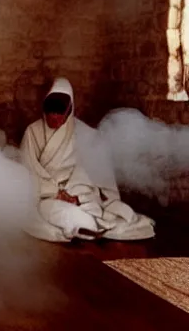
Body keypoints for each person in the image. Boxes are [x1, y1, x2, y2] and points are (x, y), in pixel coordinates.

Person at [20, 77, 155, 242]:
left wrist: (76, 196)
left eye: (59, 111)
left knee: (106, 210)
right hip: (48, 195)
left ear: (70, 109)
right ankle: (82, 225)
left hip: (79, 194)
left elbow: (94, 173)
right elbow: (28, 170)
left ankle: (87, 222)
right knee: (52, 211)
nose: (54, 116)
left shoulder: (85, 134)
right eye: (50, 111)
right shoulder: (32, 132)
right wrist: (55, 192)